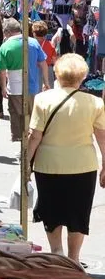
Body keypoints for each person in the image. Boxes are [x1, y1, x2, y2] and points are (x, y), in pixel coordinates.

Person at [26, 54, 105, 264]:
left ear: (57, 74)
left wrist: (26, 164)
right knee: (78, 213)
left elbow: (35, 136)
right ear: (83, 76)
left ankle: (56, 252)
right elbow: (102, 138)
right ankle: (74, 258)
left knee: (51, 210)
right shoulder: (95, 103)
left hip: (48, 165)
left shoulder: (43, 99)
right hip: (82, 165)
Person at [0, 18, 49, 142]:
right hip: (33, 87)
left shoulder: (5, 46)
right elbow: (43, 63)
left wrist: (3, 88)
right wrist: (46, 82)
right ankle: (32, 144)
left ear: (7, 32)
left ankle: (21, 141)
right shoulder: (33, 43)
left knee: (17, 116)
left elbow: (2, 71)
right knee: (33, 117)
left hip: (15, 89)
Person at [32, 20, 57, 86]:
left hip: (34, 69)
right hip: (48, 69)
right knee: (49, 91)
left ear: (34, 33)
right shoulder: (50, 45)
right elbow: (54, 60)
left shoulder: (30, 44)